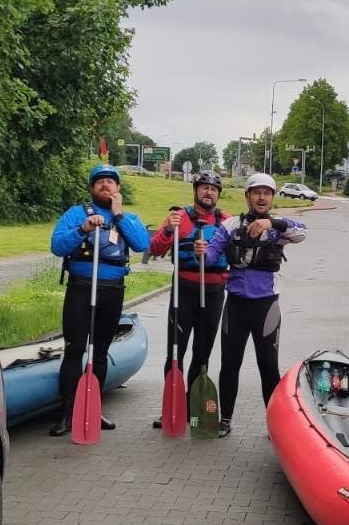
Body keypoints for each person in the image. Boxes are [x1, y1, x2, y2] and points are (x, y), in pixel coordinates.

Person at [48, 165, 150, 435]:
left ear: (118, 188)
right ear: (92, 188)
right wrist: (83, 228)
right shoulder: (76, 213)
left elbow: (141, 244)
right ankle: (67, 412)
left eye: (110, 181)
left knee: (101, 350)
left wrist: (119, 215)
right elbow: (57, 246)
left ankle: (93, 408)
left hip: (112, 290)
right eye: (100, 181)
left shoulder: (128, 217)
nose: (105, 185)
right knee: (75, 348)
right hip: (81, 288)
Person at [204, 173, 307, 436]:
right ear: (247, 196)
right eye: (256, 192)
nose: (261, 198)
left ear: (272, 198)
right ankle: (225, 419)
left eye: (267, 193)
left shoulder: (277, 228)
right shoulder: (230, 225)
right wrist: (200, 252)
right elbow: (210, 256)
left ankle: (276, 425)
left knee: (268, 367)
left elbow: (302, 233)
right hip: (235, 306)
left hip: (266, 307)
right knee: (230, 364)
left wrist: (271, 222)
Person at [148, 169, 231, 428]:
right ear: (195, 190)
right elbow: (155, 249)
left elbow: (236, 255)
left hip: (214, 293)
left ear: (218, 194)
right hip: (184, 291)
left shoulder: (226, 221)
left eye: (214, 189)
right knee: (176, 352)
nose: (209, 192)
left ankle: (193, 405)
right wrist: (167, 230)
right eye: (204, 187)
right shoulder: (179, 217)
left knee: (202, 354)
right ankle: (172, 405)